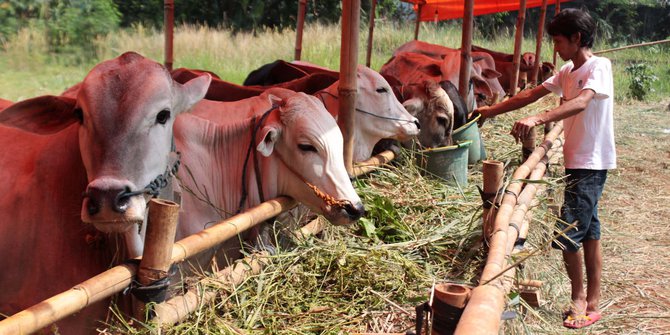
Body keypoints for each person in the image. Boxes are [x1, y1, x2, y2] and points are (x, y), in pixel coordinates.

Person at [476, 8, 615, 329]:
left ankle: (579, 298)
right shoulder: (568, 70)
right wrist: (491, 111)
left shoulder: (599, 67)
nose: (555, 48)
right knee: (590, 231)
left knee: (567, 235)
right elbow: (531, 93)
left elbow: (582, 102)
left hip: (591, 163)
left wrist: (538, 118)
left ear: (577, 38)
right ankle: (592, 301)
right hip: (577, 161)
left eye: (558, 41)